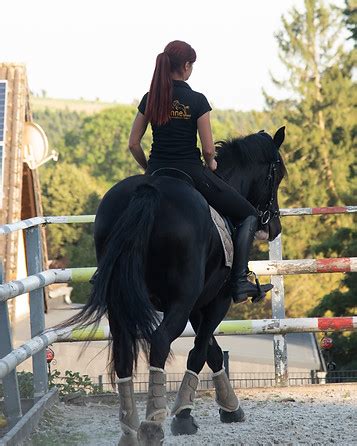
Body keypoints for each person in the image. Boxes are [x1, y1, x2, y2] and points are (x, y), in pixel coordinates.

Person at [128, 40, 272, 303]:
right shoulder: (197, 100)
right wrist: (212, 166)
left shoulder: (151, 99)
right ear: (185, 66)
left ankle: (109, 268)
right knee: (249, 215)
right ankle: (239, 280)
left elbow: (133, 143)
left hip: (157, 171)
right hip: (192, 173)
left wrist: (148, 169)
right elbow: (208, 150)